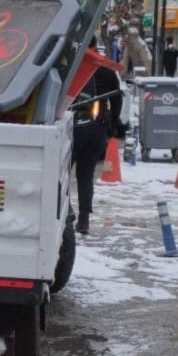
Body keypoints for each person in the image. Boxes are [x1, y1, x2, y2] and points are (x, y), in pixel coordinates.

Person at [72, 39, 124, 235]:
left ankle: (66, 212)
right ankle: (84, 219)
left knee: (62, 173)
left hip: (73, 126)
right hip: (97, 127)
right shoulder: (105, 69)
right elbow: (117, 99)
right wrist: (112, 125)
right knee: (86, 174)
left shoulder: (73, 66)